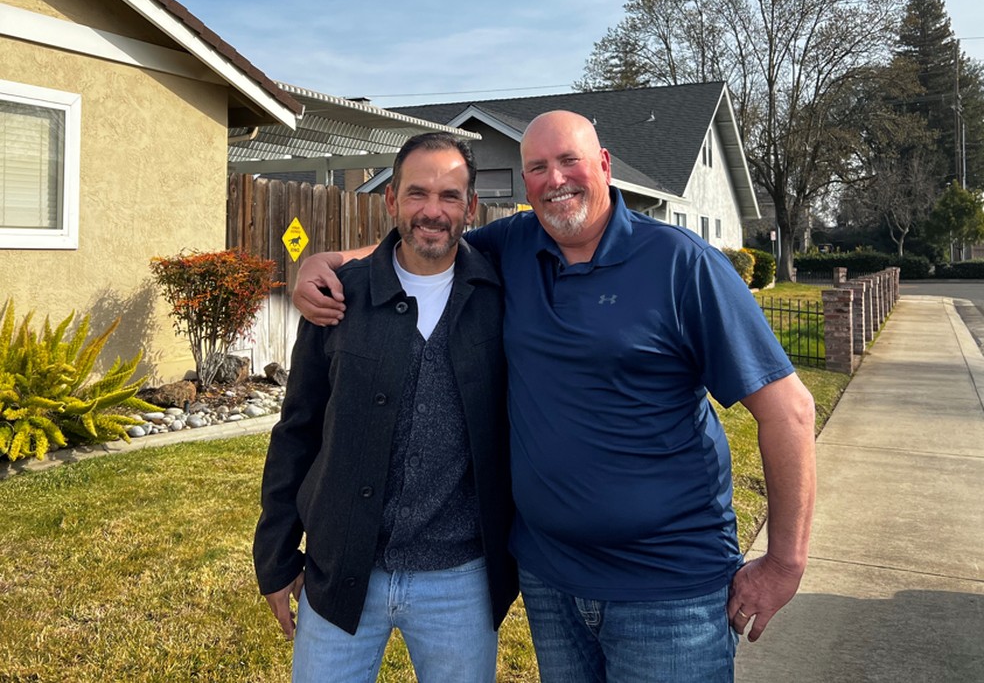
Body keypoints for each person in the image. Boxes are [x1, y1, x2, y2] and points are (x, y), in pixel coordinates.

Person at [293, 111, 817, 682]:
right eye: (537, 167)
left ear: (605, 166)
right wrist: (326, 263)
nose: (555, 179)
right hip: (552, 584)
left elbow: (789, 411)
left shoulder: (679, 264)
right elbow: (427, 242)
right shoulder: (515, 246)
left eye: (569, 160)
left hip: (667, 590)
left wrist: (786, 562)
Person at [253, 132, 517, 683]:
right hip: (341, 567)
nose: (433, 211)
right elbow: (298, 430)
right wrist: (276, 556)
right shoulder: (338, 298)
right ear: (391, 199)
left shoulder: (501, 297)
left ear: (470, 207)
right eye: (417, 193)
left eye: (450, 196)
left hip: (460, 579)